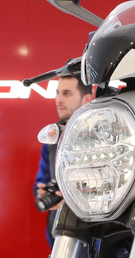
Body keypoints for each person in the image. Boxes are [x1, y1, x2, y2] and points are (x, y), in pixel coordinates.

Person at [34, 71, 94, 244]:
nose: (59, 99)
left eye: (67, 94)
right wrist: (42, 191)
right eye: (57, 93)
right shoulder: (52, 136)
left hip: (93, 235)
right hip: (58, 234)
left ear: (87, 99)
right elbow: (42, 179)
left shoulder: (103, 135)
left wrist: (74, 200)